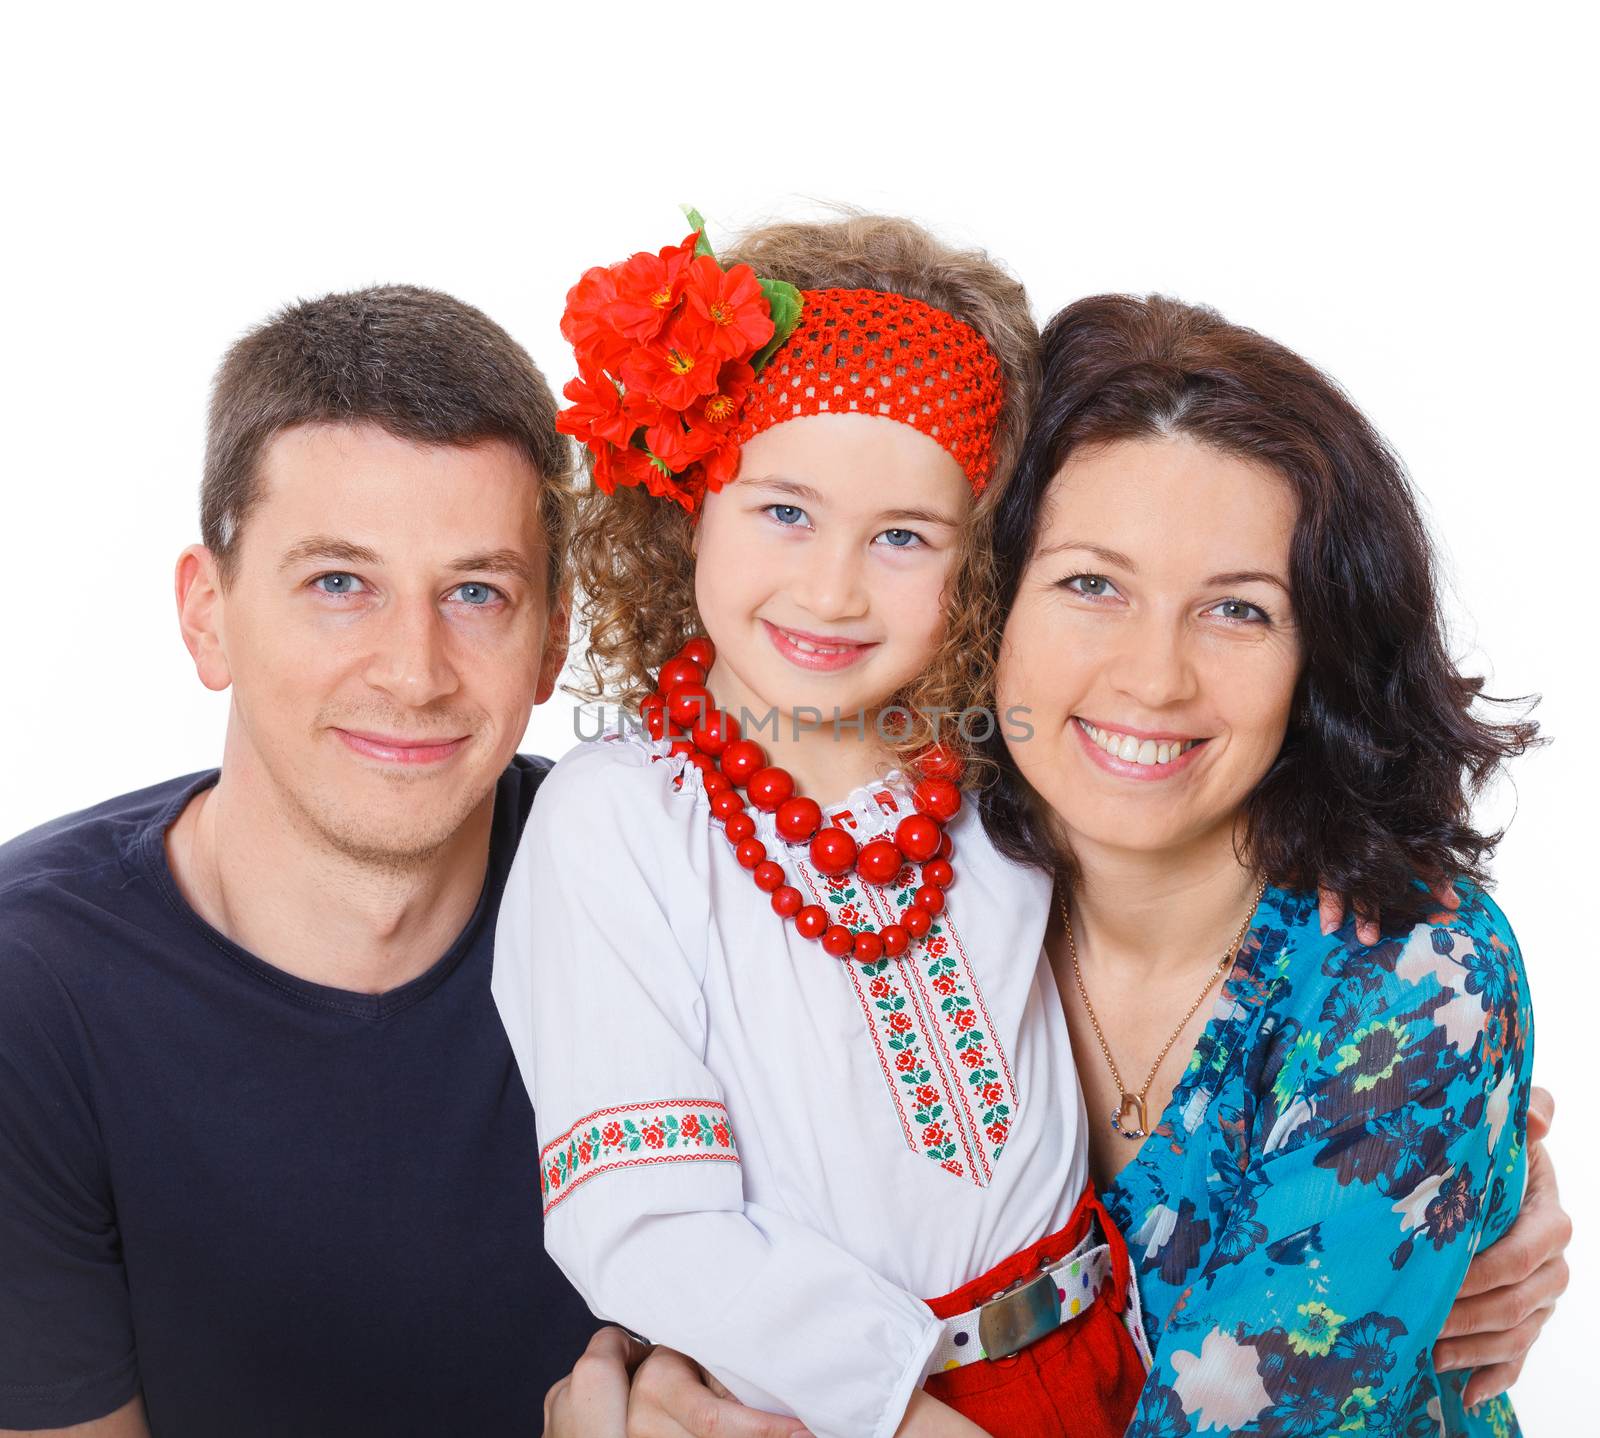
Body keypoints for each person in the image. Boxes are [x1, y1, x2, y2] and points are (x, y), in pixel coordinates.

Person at [491, 213, 1151, 1438]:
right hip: (850, 1412)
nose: (833, 589)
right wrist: (905, 1414)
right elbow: (644, 1223)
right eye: (784, 512)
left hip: (1116, 1360)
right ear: (689, 504)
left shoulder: (1008, 763)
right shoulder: (621, 822)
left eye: (904, 536)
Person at [0, 286, 599, 1436]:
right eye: (339, 584)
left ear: (553, 638)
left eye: (476, 592)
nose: (413, 671)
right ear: (207, 612)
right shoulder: (35, 998)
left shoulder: (658, 896)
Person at [979, 293, 1539, 1434]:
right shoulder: (902, 892)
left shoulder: (1415, 977)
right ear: (987, 600)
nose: (1153, 676)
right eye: (1092, 583)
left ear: (1321, 654)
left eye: (1236, 610)